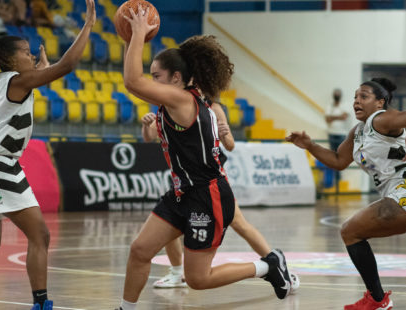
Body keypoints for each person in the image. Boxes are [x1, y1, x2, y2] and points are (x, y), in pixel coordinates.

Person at [116, 5, 293, 310]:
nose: (152, 81)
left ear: (176, 78)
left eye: (157, 76)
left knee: (197, 279)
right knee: (140, 250)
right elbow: (138, 85)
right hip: (184, 191)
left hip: (206, 194)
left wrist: (137, 36)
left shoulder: (183, 100)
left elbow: (132, 82)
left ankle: (267, 266)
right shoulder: (182, 99)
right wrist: (134, 38)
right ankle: (126, 308)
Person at [0, 1, 95, 309]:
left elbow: (38, 77)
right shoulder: (18, 80)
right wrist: (88, 25)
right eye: (25, 52)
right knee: (41, 236)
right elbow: (67, 67)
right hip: (0, 167)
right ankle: (41, 303)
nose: (31, 55)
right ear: (10, 59)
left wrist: (41, 69)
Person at [286, 77, 406, 310]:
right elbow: (338, 160)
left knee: (350, 231)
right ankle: (377, 300)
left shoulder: (380, 119)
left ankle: (377, 299)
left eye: (364, 96)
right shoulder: (357, 133)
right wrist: (311, 146)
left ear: (379, 103)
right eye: (355, 97)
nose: (356, 101)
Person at [142, 105, 299, 290]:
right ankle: (177, 273)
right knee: (168, 227)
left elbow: (230, 145)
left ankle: (279, 267)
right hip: (184, 181)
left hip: (210, 184)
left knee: (240, 225)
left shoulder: (213, 108)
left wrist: (224, 134)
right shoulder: (172, 106)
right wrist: (146, 126)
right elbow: (149, 136)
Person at [324, 88, 349, 186]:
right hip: (331, 133)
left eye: (338, 94)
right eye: (335, 94)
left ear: (340, 95)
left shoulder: (344, 105)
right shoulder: (329, 106)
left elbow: (344, 117)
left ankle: (339, 178)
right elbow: (327, 119)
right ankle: (334, 179)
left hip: (342, 134)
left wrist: (332, 117)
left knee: (340, 157)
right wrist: (338, 116)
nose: (336, 95)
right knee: (333, 157)